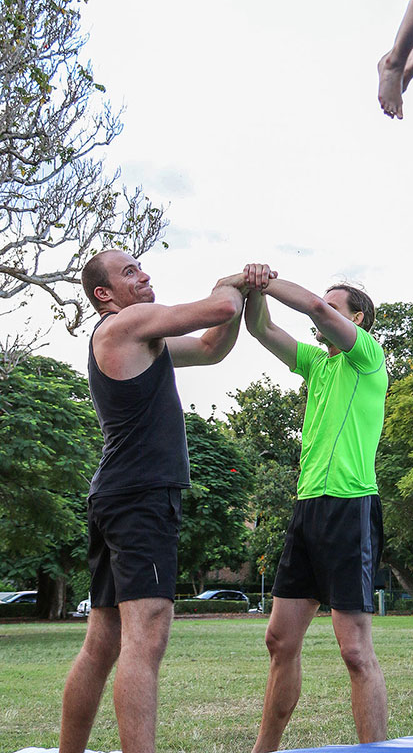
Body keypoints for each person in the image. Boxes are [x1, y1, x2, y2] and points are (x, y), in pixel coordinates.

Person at [59, 249, 274, 753]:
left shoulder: (143, 339)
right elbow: (217, 309)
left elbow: (211, 346)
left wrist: (242, 296)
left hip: (120, 494)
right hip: (140, 498)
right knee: (145, 641)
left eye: (140, 266)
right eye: (129, 272)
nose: (144, 274)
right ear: (104, 294)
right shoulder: (126, 324)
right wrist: (231, 282)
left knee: (103, 643)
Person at [243, 266, 389, 752]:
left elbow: (312, 308)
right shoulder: (316, 364)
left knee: (354, 651)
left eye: (334, 306)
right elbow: (261, 328)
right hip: (307, 510)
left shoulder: (367, 358)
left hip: (351, 510)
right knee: (279, 642)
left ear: (359, 319)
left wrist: (265, 278)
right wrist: (251, 289)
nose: (322, 313)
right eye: (325, 304)